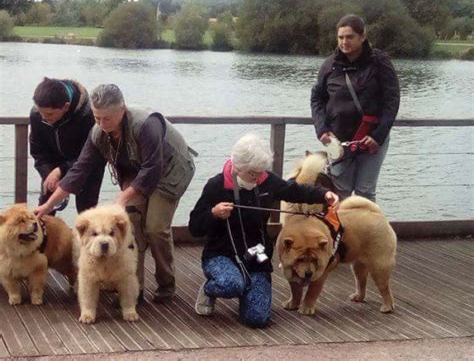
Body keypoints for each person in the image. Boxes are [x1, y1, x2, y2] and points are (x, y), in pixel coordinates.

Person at [34, 84, 196, 304]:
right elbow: (79, 171)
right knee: (131, 225)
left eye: (106, 119)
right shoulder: (98, 132)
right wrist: (48, 206)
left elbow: (152, 169)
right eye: (96, 118)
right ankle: (133, 288)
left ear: (122, 109)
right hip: (135, 169)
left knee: (155, 227)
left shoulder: (147, 124)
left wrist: (122, 198)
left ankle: (166, 284)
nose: (101, 124)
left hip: (168, 171)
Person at [188, 133, 339, 328]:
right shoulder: (216, 186)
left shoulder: (267, 181)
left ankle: (246, 291)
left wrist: (323, 194)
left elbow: (295, 191)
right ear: (238, 167)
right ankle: (210, 290)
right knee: (230, 283)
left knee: (257, 318)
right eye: (253, 173)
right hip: (221, 253)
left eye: (262, 172)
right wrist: (214, 214)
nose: (259, 178)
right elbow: (194, 227)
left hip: (257, 254)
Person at [311, 14, 400, 202]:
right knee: (339, 191)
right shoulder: (329, 65)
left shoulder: (380, 62)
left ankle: (365, 231)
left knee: (365, 192)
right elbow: (317, 98)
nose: (344, 42)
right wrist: (322, 129)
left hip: (371, 138)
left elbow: (392, 101)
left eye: (350, 37)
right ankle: (341, 231)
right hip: (339, 140)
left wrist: (378, 136)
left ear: (362, 36)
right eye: (340, 37)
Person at [30, 77, 103, 214]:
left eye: (49, 114)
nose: (43, 118)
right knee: (44, 211)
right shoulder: (37, 115)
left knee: (87, 213)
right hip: (53, 166)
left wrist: (62, 170)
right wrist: (48, 174)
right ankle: (46, 235)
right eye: (40, 112)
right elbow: (38, 152)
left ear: (66, 107)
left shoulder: (89, 116)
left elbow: (89, 156)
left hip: (87, 166)